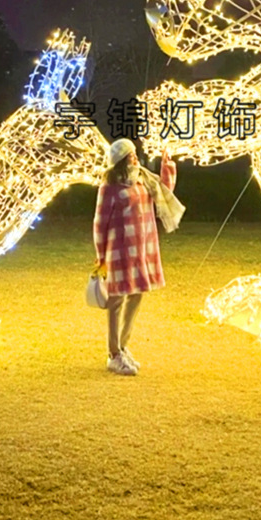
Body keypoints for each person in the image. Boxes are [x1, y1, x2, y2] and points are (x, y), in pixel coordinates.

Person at [93, 138, 184, 375]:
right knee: (116, 300)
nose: (135, 157)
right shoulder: (109, 186)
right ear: (121, 161)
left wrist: (167, 167)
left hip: (142, 246)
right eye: (130, 155)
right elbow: (100, 222)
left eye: (135, 154)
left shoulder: (142, 177)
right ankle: (113, 354)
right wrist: (100, 255)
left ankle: (122, 346)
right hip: (119, 249)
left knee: (137, 293)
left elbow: (165, 190)